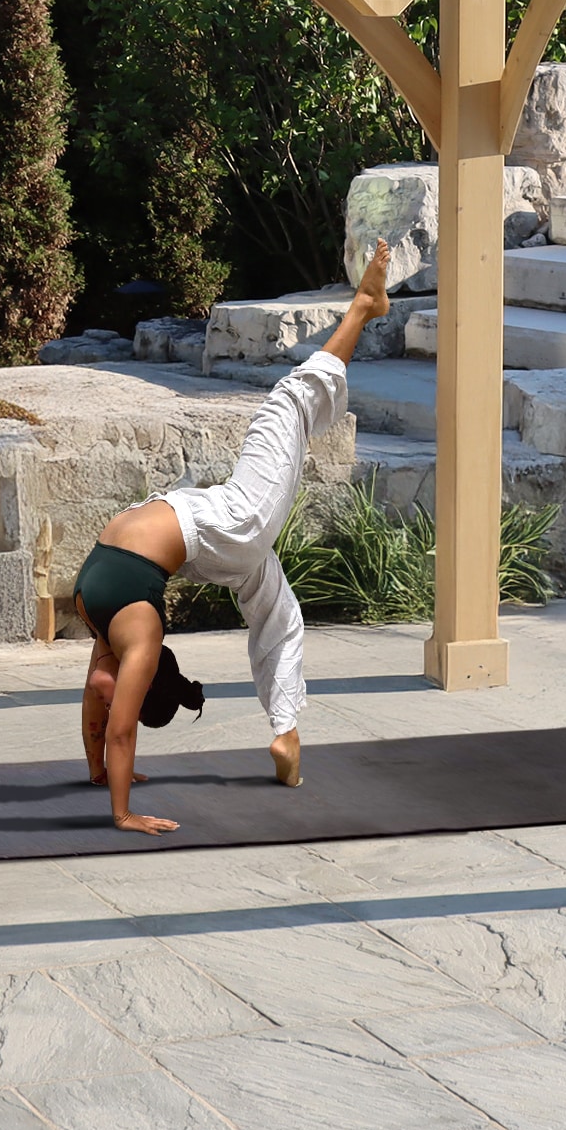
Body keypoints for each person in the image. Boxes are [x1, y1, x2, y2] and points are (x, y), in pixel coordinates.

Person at [73, 240, 394, 834]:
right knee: (287, 404)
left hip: (217, 534)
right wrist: (123, 814)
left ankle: (285, 729)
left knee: (275, 604)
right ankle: (362, 308)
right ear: (140, 680)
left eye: (109, 692)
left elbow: (105, 723)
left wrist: (100, 773)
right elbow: (118, 729)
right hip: (228, 524)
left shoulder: (106, 630)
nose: (100, 691)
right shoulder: (138, 636)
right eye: (118, 694)